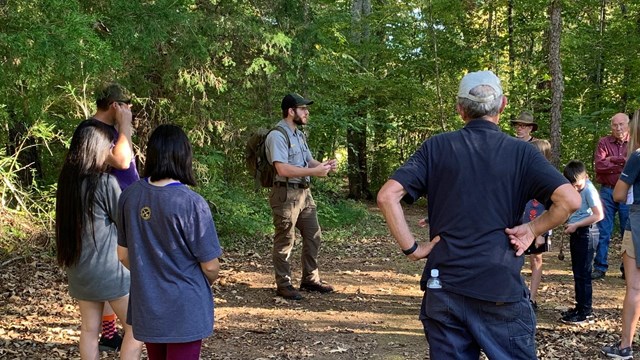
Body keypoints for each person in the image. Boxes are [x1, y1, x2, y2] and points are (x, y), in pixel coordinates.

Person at [377, 70, 580, 359]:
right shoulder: (521, 153)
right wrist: (532, 229)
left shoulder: (436, 147)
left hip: (444, 285)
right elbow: (569, 200)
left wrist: (412, 248)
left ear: (460, 109)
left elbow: (387, 196)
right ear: (502, 105)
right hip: (499, 287)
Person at [116, 124, 222, 360]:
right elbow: (211, 266)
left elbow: (123, 255)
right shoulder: (192, 203)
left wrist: (150, 273)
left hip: (148, 303)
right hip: (184, 305)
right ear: (184, 156)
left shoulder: (129, 196)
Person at [55, 122, 142, 360]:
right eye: (109, 147)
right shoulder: (104, 183)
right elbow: (125, 221)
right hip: (110, 272)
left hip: (79, 270)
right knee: (135, 331)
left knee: (89, 331)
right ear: (98, 149)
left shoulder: (66, 186)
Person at [265, 93, 337, 301]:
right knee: (286, 239)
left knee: (314, 234)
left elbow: (308, 161)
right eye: (303, 109)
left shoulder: (298, 134)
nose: (307, 113)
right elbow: (282, 168)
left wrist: (323, 166)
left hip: (304, 193)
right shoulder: (277, 135)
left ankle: (310, 279)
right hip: (285, 193)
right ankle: (284, 284)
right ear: (291, 111)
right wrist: (314, 172)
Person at [601, 109, 640, 359]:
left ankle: (625, 345)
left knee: (635, 288)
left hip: (637, 219)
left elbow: (617, 194)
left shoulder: (636, 156)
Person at [560, 160, 603, 324]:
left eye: (577, 184)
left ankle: (586, 311)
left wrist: (576, 224)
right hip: (577, 232)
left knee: (584, 273)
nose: (576, 188)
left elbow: (599, 215)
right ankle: (580, 307)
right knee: (578, 272)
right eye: (572, 185)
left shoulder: (590, 190)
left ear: (586, 176)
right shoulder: (576, 188)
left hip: (587, 233)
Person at [593, 113, 630, 280]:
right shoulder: (604, 142)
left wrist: (612, 161)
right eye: (615, 125)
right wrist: (622, 161)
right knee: (603, 230)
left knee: (627, 230)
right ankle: (600, 267)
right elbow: (600, 166)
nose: (618, 128)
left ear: (628, 125)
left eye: (621, 124)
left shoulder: (635, 141)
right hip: (607, 191)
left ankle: (626, 269)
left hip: (628, 191)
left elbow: (634, 166)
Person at [522, 139, 553, 311]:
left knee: (536, 259)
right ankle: (518, 294)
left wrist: (541, 232)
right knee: (515, 259)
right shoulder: (523, 173)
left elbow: (551, 208)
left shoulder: (548, 177)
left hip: (539, 226)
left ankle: (532, 298)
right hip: (521, 224)